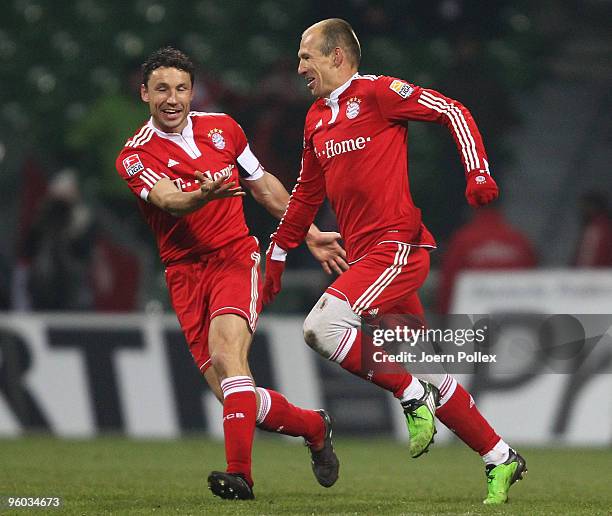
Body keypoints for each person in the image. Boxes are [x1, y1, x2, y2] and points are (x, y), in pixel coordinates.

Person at [263, 19, 526, 504]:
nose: (300, 67)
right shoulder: (317, 118)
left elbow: (452, 110)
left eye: (307, 57)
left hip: (398, 249)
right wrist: (278, 253)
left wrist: (478, 171)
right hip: (368, 257)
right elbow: (305, 194)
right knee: (430, 368)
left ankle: (409, 396)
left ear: (337, 56)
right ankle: (500, 456)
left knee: (321, 328)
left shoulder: (380, 93)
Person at [115, 47, 348, 500]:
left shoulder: (224, 129)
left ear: (192, 91)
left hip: (234, 258)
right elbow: (168, 201)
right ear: (145, 93)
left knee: (227, 355)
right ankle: (315, 427)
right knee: (235, 398)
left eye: (181, 88)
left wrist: (311, 232)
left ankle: (240, 476)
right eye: (161, 89)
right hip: (184, 275)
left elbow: (263, 186)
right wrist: (200, 196)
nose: (172, 98)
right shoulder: (134, 156)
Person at [437, 206, 538, 314]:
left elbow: (448, 286)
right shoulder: (518, 239)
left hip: (472, 320)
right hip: (514, 320)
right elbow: (534, 284)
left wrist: (445, 317)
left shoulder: (463, 241)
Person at [573, 191, 612, 267]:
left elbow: (589, 260)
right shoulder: (592, 227)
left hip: (597, 276)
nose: (583, 211)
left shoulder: (599, 229)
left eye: (586, 206)